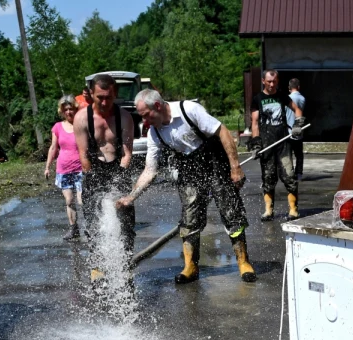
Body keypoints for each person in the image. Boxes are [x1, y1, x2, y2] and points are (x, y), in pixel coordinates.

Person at [117, 89, 255, 284]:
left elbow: (222, 131)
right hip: (189, 170)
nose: (145, 122)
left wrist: (235, 167)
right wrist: (132, 196)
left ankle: (243, 261)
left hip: (215, 163)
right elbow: (150, 169)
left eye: (145, 115)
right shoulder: (155, 133)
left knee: (231, 213)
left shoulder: (188, 110)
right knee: (189, 220)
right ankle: (191, 266)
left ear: (157, 106)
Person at [74, 73, 135, 254]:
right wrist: (94, 179)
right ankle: (97, 272)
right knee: (94, 227)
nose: (104, 102)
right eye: (100, 97)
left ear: (115, 94)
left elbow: (127, 153)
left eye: (108, 97)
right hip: (93, 171)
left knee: (126, 226)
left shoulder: (124, 117)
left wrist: (119, 178)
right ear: (91, 94)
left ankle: (126, 270)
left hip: (119, 170)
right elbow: (83, 154)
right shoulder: (82, 118)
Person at [249, 69, 302, 221]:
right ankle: (268, 210)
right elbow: (254, 124)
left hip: (283, 143)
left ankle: (293, 210)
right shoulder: (257, 99)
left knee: (289, 176)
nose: (272, 84)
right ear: (263, 81)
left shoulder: (282, 97)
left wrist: (298, 124)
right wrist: (256, 145)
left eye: (275, 82)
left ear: (277, 82)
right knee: (268, 177)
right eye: (269, 81)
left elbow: (297, 110)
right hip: (267, 144)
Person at [44, 95, 83, 241]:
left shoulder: (81, 124)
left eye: (70, 109)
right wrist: (47, 167)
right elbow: (53, 148)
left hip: (80, 168)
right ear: (62, 111)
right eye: (65, 109)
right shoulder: (58, 127)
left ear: (75, 109)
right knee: (69, 200)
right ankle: (74, 229)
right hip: (64, 168)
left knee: (81, 200)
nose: (68, 112)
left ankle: (92, 227)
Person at [287, 78, 306, 180]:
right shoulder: (302, 98)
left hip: (288, 131)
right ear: (298, 87)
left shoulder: (287, 98)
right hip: (299, 129)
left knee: (288, 154)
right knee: (299, 154)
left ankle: (290, 173)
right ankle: (299, 174)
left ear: (289, 88)